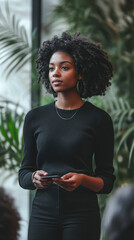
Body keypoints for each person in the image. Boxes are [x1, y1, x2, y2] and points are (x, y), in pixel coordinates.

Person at [18, 32, 115, 240]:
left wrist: (82, 180)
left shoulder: (99, 120)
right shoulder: (35, 118)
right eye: (51, 68)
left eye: (64, 67)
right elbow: (24, 174)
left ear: (80, 72)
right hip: (42, 214)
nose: (55, 73)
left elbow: (106, 181)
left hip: (82, 215)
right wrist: (34, 178)